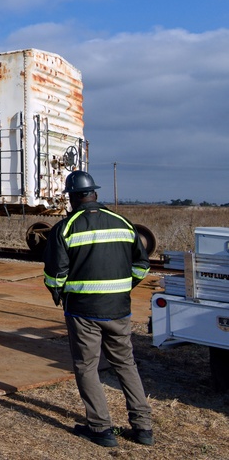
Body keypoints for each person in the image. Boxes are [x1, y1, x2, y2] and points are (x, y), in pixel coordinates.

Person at [43, 170, 153, 448]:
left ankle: (101, 429)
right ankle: (143, 428)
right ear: (95, 193)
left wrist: (60, 295)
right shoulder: (124, 224)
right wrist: (122, 289)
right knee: (126, 364)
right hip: (119, 309)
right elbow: (142, 265)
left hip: (83, 312)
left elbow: (55, 276)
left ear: (72, 197)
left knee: (87, 367)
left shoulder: (65, 228)